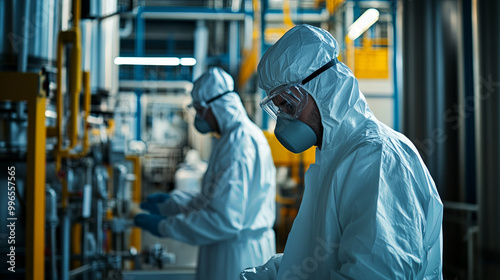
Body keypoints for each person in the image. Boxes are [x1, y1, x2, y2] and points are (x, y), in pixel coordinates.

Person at [240, 24, 443, 279]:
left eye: (289, 104)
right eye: (279, 109)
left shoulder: (375, 157)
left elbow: (376, 272)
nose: (284, 120)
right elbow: (317, 257)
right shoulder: (336, 156)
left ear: (324, 89)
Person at [134, 67, 277, 280]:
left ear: (216, 106)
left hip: (236, 256)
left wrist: (166, 226)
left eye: (200, 110)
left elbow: (225, 220)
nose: (199, 118)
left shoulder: (239, 144)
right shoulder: (231, 138)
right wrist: (171, 204)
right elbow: (212, 199)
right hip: (228, 248)